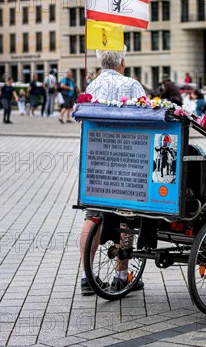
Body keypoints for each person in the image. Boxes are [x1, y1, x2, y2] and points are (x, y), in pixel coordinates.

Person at [80, 49, 147, 295]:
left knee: (92, 215)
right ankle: (121, 276)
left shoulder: (91, 87)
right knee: (125, 217)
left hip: (95, 162)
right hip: (126, 161)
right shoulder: (131, 84)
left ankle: (87, 277)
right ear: (122, 63)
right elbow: (147, 118)